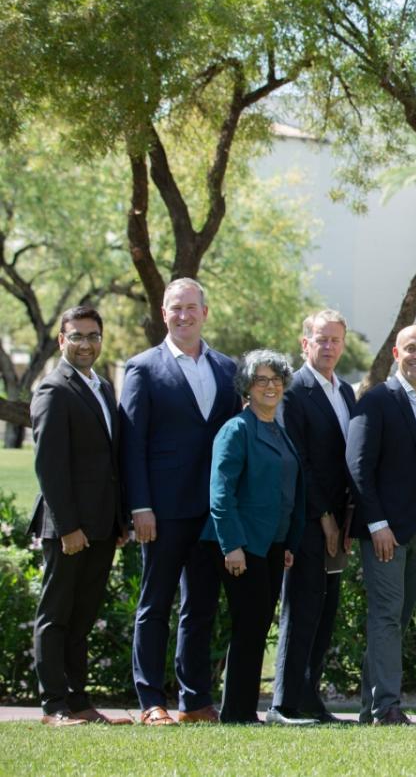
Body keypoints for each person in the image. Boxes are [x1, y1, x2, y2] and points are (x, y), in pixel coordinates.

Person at [119, 278, 240, 725]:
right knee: (155, 604)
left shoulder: (228, 368)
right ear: (164, 314)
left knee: (201, 606)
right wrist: (139, 507)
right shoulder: (143, 368)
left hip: (212, 512)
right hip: (163, 511)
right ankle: (151, 700)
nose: (184, 315)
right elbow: (132, 445)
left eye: (191, 307)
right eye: (175, 308)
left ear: (205, 313)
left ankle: (195, 700)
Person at [30, 307, 131, 726]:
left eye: (93, 336)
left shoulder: (103, 387)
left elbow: (111, 460)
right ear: (61, 340)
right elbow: (49, 467)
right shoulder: (53, 389)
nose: (86, 344)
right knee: (56, 616)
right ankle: (53, 707)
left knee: (83, 616)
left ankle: (79, 703)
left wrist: (120, 520)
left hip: (103, 526)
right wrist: (68, 526)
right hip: (68, 527)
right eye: (77, 336)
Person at [346, 325, 416, 725]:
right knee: (387, 613)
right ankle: (388, 706)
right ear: (396, 352)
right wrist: (376, 523)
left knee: (399, 616)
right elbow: (358, 467)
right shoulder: (377, 401)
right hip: (385, 528)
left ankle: (371, 708)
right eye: (411, 349)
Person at [202, 350, 305, 724]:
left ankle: (243, 710)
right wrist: (232, 546)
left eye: (276, 379)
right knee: (250, 624)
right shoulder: (236, 430)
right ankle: (237, 713)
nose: (270, 386)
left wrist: (288, 544)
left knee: (259, 622)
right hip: (241, 546)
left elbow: (289, 489)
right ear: (247, 386)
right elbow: (220, 494)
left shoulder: (279, 429)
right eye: (261, 379)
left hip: (274, 545)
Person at [268, 310, 357, 725]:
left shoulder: (347, 393)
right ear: (305, 343)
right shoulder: (293, 391)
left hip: (339, 523)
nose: (328, 347)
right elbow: (299, 461)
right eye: (320, 339)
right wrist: (324, 517)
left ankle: (309, 697)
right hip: (306, 522)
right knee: (301, 609)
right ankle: (283, 703)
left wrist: (346, 521)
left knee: (325, 612)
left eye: (335, 340)